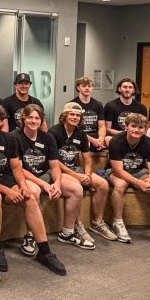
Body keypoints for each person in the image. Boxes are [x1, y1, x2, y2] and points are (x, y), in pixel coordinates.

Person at [0, 103, 66, 275]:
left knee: (29, 197)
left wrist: (22, 186)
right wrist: (7, 191)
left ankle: (45, 251)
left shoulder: (9, 139)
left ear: (1, 122)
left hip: (7, 179)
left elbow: (16, 168)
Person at [14, 104, 94, 250]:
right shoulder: (14, 137)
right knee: (34, 192)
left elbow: (55, 165)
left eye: (37, 118)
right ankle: (30, 235)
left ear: (41, 120)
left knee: (76, 189)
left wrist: (57, 183)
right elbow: (18, 168)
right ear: (23, 118)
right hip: (27, 177)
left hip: (46, 175)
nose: (34, 121)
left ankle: (67, 233)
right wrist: (44, 185)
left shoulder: (47, 137)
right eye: (30, 117)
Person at [48, 103, 115, 243]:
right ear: (65, 116)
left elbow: (87, 158)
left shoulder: (81, 134)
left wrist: (88, 174)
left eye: (78, 115)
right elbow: (53, 161)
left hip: (75, 168)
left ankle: (97, 222)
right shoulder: (54, 132)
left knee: (102, 184)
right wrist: (76, 176)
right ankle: (77, 225)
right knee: (76, 187)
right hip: (58, 170)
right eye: (72, 114)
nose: (75, 117)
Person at [107, 113, 150, 247]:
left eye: (141, 127)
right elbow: (118, 170)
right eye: (133, 126)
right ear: (126, 127)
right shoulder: (116, 141)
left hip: (140, 171)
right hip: (116, 171)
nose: (137, 130)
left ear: (145, 129)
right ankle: (117, 222)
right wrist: (138, 183)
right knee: (120, 185)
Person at [103, 78, 148, 145]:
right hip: (117, 137)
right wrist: (126, 134)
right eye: (125, 87)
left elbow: (143, 128)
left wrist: (132, 134)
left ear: (134, 90)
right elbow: (108, 129)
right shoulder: (110, 106)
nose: (127, 90)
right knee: (108, 139)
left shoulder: (141, 107)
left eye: (130, 87)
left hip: (135, 136)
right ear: (119, 89)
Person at [71, 76, 106, 151]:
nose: (87, 88)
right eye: (84, 86)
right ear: (78, 88)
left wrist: (100, 139)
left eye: (89, 86)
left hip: (95, 136)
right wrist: (92, 140)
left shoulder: (98, 105)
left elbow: (102, 126)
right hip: (78, 135)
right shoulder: (73, 104)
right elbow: (73, 128)